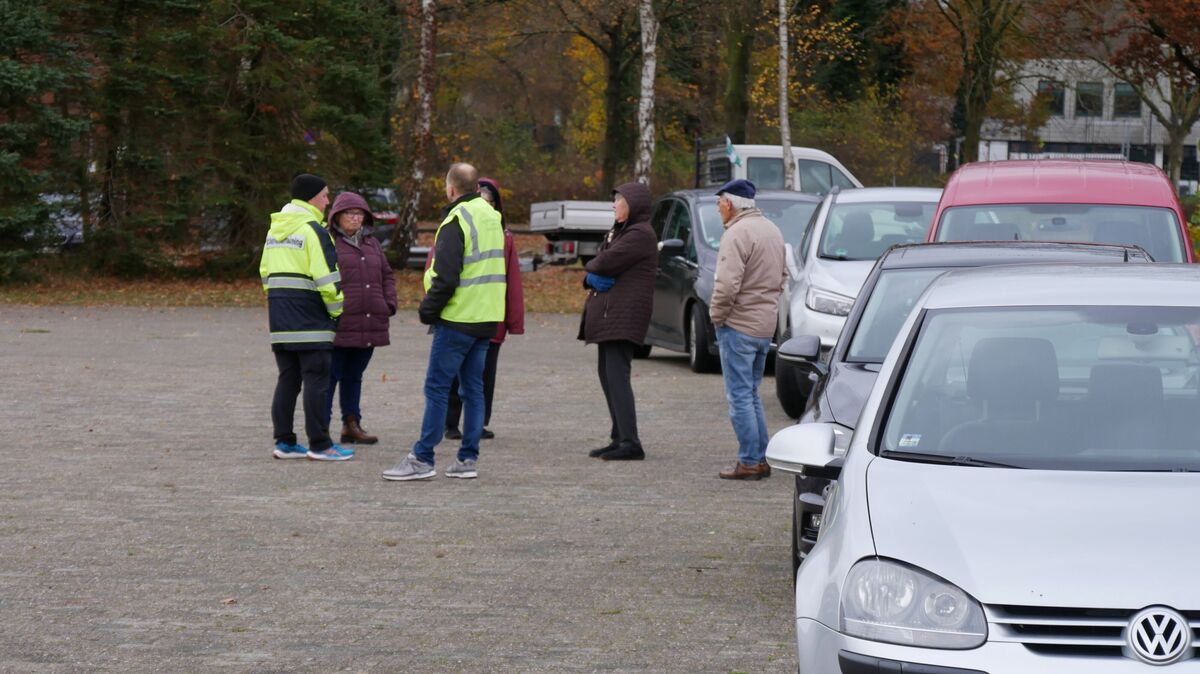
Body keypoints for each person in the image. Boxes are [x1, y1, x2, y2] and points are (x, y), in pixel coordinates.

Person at [383, 163, 506, 481]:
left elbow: (447, 275)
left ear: (451, 188)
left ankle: (423, 457)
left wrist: (428, 309)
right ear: (476, 187)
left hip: (457, 318)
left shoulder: (456, 220)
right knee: (473, 390)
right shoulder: (492, 216)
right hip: (487, 318)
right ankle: (467, 459)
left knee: (437, 388)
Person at [260, 173, 353, 462]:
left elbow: (265, 273)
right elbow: (327, 279)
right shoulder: (314, 230)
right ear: (312, 197)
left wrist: (280, 303)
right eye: (325, 195)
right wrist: (337, 311)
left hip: (280, 317)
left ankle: (285, 442)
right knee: (317, 380)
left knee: (288, 379)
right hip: (311, 318)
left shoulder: (275, 230)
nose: (328, 201)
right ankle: (320, 444)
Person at [709, 179, 786, 480]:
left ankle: (750, 461)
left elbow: (727, 286)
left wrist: (717, 316)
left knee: (740, 396)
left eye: (719, 204)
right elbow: (783, 276)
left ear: (729, 204)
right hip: (764, 326)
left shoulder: (737, 233)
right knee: (751, 394)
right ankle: (760, 458)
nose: (718, 210)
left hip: (738, 325)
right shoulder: (772, 230)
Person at [579, 181, 657, 461]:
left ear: (633, 205)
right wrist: (591, 273)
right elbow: (600, 262)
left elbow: (601, 263)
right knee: (608, 375)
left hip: (623, 317)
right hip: (612, 316)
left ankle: (630, 442)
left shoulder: (639, 234)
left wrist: (590, 270)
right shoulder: (623, 232)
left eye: (619, 200)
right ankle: (619, 436)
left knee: (617, 377)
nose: (614, 205)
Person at [444, 177, 525, 441]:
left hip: (491, 317)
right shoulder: (455, 225)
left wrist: (514, 321)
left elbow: (512, 280)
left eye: (488, 197)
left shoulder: (505, 236)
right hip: (459, 313)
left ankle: (477, 423)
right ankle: (450, 422)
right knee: (454, 373)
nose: (483, 201)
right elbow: (438, 269)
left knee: (484, 375)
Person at [324, 191, 398, 445]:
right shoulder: (328, 241)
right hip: (340, 321)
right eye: (350, 214)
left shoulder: (372, 243)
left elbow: (387, 274)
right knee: (330, 376)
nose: (355, 219)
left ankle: (351, 424)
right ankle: (321, 427)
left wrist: (388, 303)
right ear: (337, 217)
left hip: (370, 321)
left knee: (355, 375)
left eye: (360, 214)